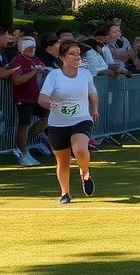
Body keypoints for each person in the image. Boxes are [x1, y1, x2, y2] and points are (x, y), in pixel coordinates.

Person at [38, 40, 98, 204]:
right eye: (72, 54)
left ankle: (84, 172)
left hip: (81, 119)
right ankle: (65, 193)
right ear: (62, 57)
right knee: (62, 159)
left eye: (78, 53)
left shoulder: (85, 74)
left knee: (79, 148)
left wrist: (94, 108)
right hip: (57, 123)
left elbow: (93, 94)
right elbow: (42, 98)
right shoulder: (54, 76)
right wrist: (51, 104)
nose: (77, 57)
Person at [7, 37, 49, 166]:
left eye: (34, 46)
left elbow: (44, 68)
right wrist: (33, 72)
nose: (32, 49)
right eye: (29, 47)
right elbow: (17, 80)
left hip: (35, 97)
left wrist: (43, 70)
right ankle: (22, 152)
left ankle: (28, 141)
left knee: (48, 117)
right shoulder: (18, 60)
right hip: (23, 98)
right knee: (24, 124)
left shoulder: (35, 60)